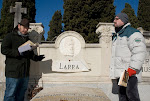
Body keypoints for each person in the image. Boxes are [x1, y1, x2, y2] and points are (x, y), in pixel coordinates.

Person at [1, 18, 45, 101]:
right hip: (13, 73)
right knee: (10, 95)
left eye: (27, 28)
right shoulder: (10, 36)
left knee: (20, 95)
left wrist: (36, 58)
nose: (25, 30)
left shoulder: (26, 39)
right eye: (24, 27)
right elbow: (4, 50)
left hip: (24, 73)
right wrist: (18, 52)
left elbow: (29, 54)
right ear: (19, 26)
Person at [110, 13, 147, 101]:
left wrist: (132, 68)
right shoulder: (118, 34)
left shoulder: (132, 33)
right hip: (123, 73)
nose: (114, 21)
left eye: (117, 19)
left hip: (129, 71)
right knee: (123, 95)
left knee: (131, 95)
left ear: (123, 20)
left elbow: (139, 51)